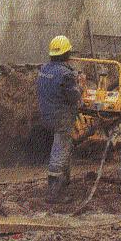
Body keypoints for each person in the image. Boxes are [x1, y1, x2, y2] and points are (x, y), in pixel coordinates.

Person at [37, 35, 84, 203]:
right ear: (67, 53)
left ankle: (64, 182)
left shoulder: (44, 69)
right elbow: (74, 97)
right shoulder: (66, 74)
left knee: (63, 147)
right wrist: (80, 86)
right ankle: (54, 193)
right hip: (61, 118)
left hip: (46, 115)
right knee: (60, 150)